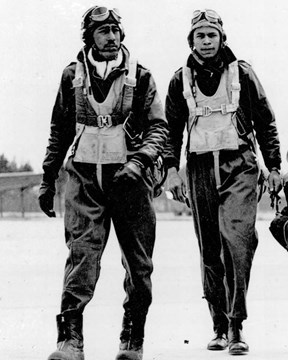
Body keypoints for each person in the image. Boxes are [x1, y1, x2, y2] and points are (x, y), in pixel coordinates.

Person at [38, 6, 168, 360]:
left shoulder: (140, 77)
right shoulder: (72, 76)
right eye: (102, 31)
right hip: (84, 180)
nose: (111, 37)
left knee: (139, 267)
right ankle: (70, 341)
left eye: (115, 30)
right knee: (82, 257)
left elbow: (159, 128)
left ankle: (132, 339)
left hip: (130, 183)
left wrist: (139, 162)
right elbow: (59, 131)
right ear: (89, 38)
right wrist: (48, 179)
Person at [163, 9, 281, 356]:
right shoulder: (179, 79)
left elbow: (266, 120)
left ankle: (236, 324)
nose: (206, 41)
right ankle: (217, 323)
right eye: (200, 36)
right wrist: (171, 169)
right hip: (199, 167)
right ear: (192, 41)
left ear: (222, 38)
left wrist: (273, 166)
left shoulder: (242, 73)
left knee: (238, 241)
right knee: (209, 247)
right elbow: (170, 130)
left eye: (212, 35)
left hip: (239, 165)